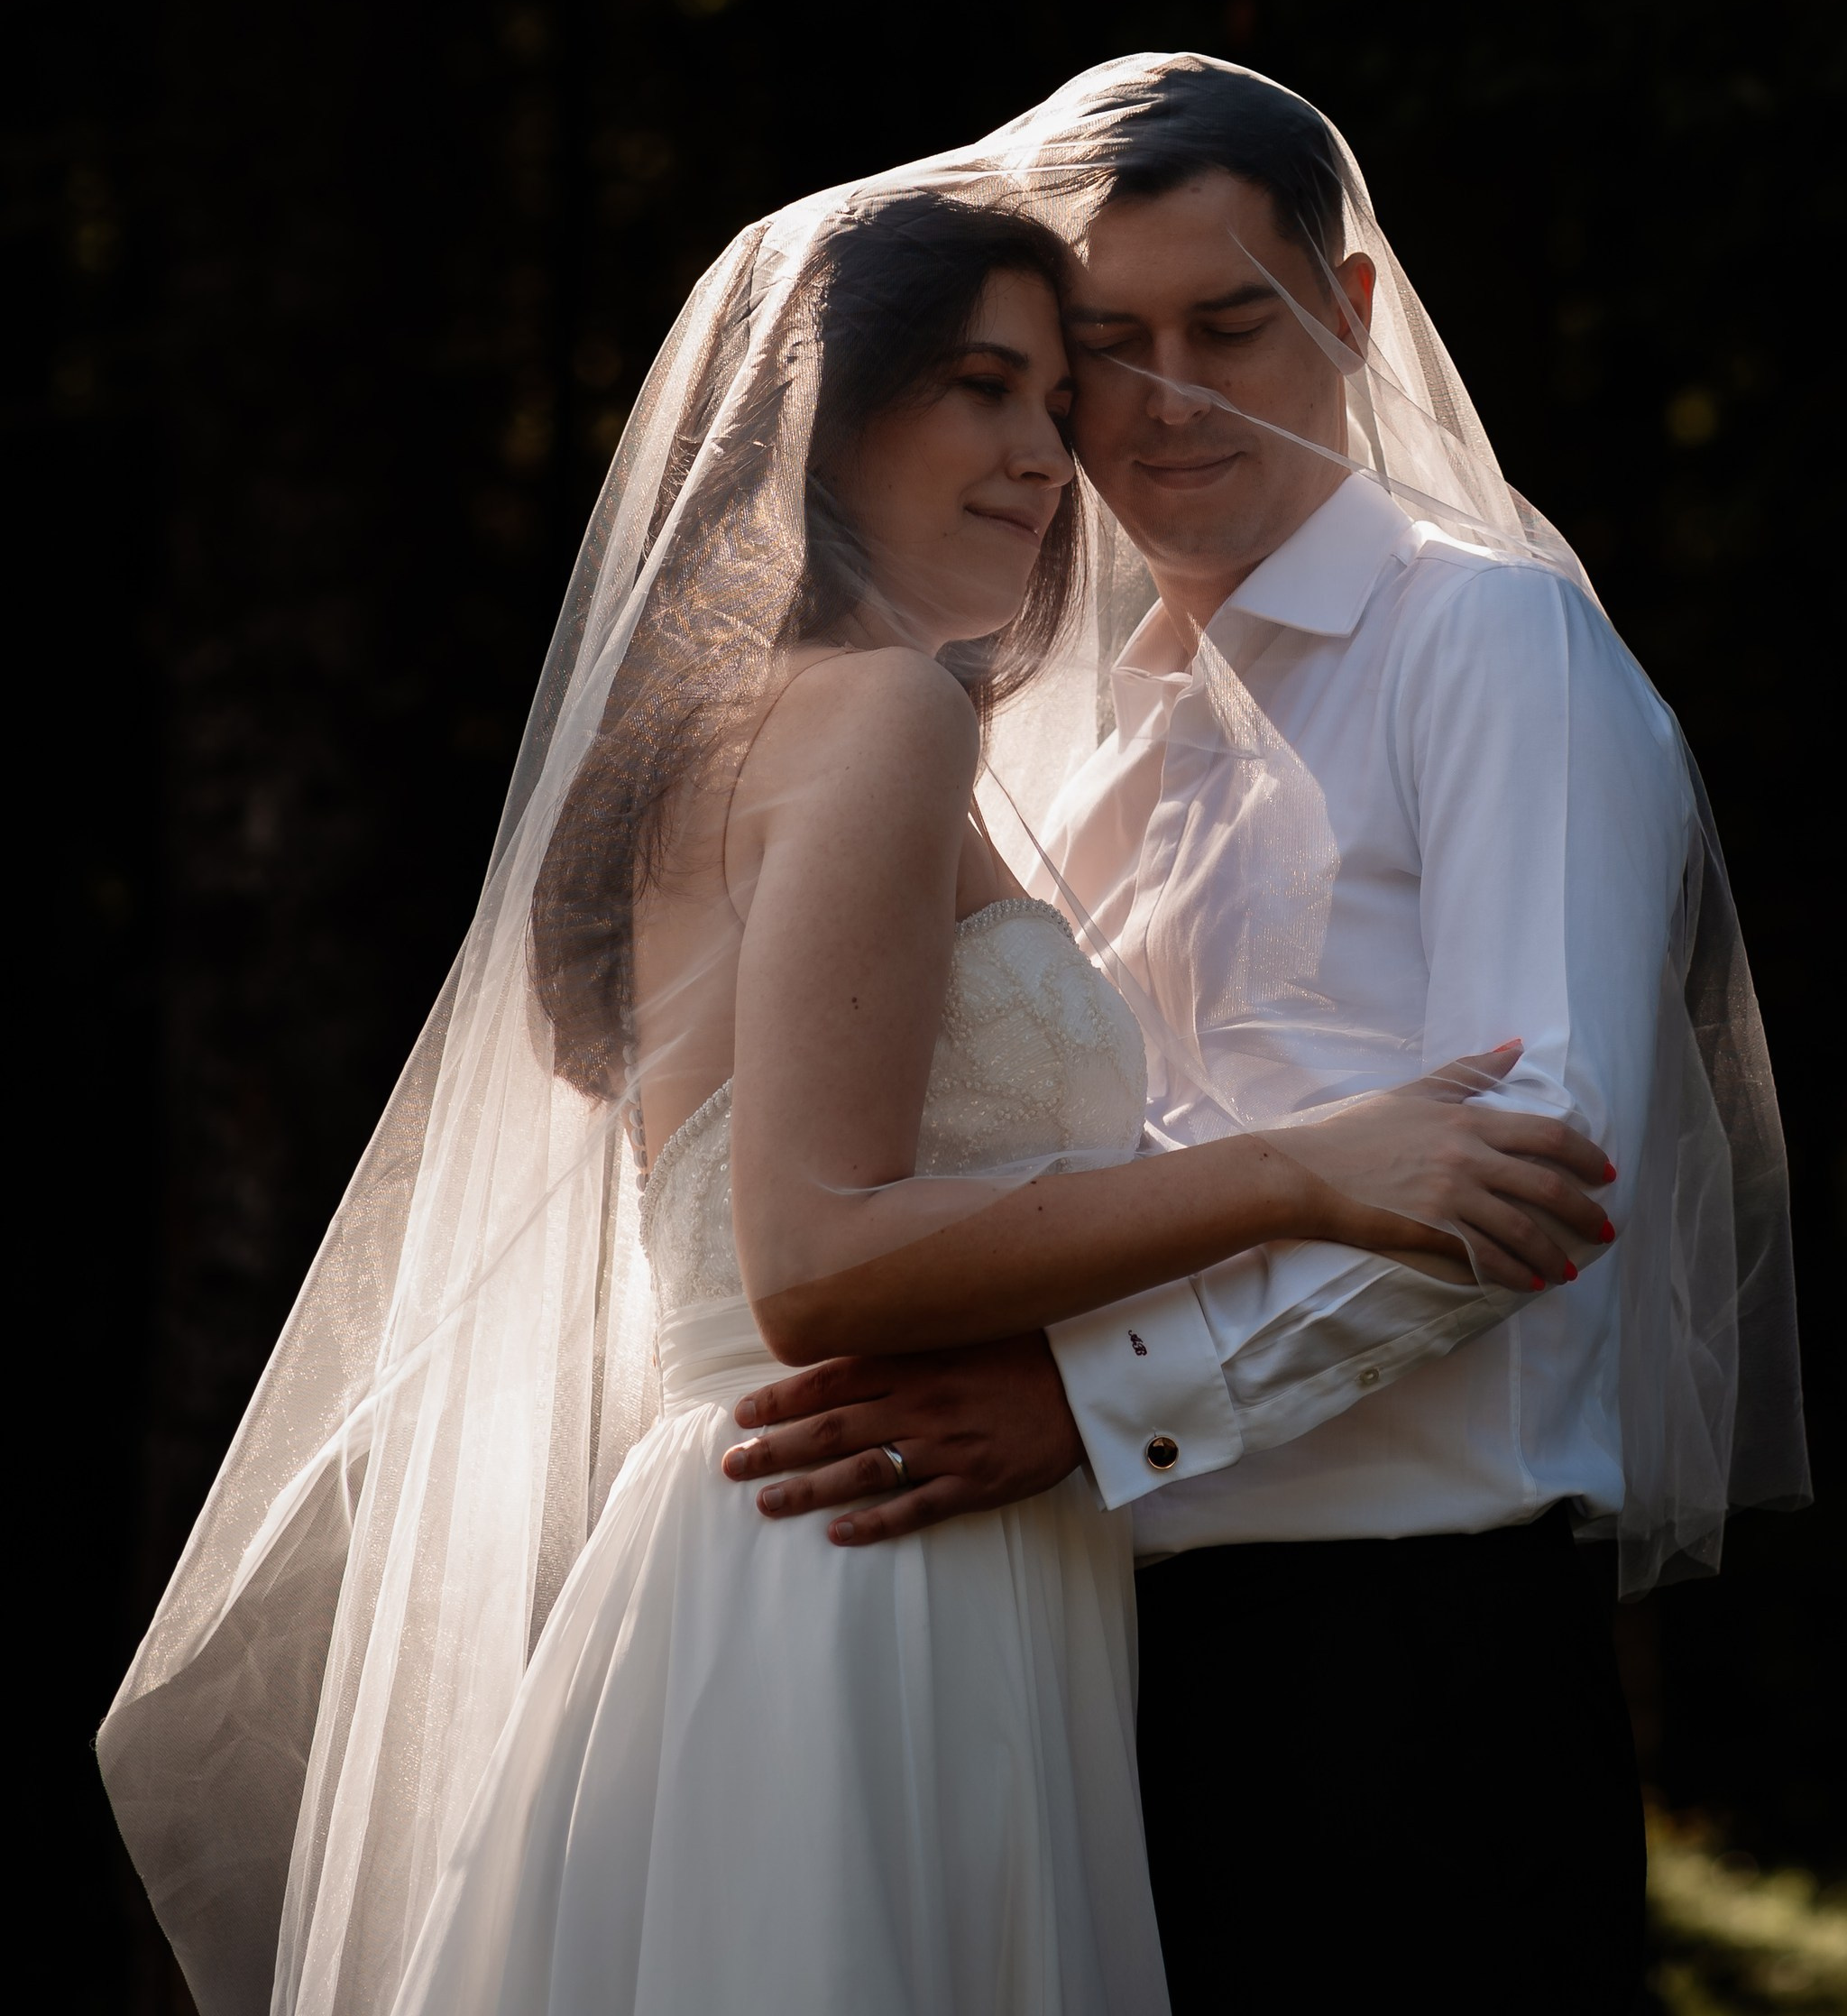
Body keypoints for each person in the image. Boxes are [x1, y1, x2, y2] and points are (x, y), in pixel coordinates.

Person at [100, 178, 1613, 2016]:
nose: (1046, 452)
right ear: (826, 409)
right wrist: (1303, 1168)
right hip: (863, 1576)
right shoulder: (885, 713)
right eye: (982, 386)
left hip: (841, 1543)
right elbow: (810, 1257)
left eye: (1052, 402)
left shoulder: (766, 714)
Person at [719, 60, 1807, 2016]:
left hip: (1398, 1653)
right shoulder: (1054, 720)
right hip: (1081, 1645)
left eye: (1227, 323)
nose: (1156, 400)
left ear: (1354, 311)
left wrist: (1086, 1399)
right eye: (1098, 350)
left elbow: (1542, 1153)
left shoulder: (1482, 642)